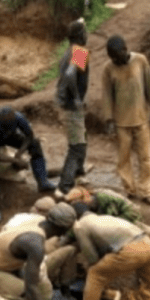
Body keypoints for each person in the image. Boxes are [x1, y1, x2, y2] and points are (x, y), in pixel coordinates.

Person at [100, 35, 150, 206]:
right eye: (111, 57)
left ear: (124, 49)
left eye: (116, 56)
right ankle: (129, 189)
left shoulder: (140, 61)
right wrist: (108, 119)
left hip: (141, 119)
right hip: (121, 123)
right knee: (123, 159)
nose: (114, 60)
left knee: (146, 158)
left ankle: (147, 191)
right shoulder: (107, 68)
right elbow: (106, 95)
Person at [0, 107, 57, 222]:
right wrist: (15, 160)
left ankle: (42, 182)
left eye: (9, 127)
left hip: (6, 138)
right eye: (4, 128)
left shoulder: (18, 118)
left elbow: (29, 136)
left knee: (35, 145)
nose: (7, 130)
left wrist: (19, 153)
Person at [55, 19, 90, 199]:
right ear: (80, 35)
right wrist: (77, 98)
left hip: (65, 104)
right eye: (85, 32)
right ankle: (64, 187)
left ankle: (78, 174)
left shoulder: (67, 52)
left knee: (81, 140)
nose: (87, 35)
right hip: (70, 106)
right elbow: (70, 75)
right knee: (76, 147)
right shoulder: (80, 51)